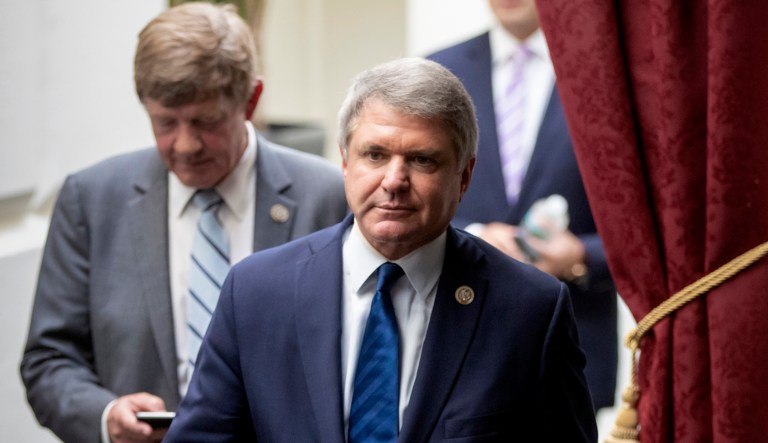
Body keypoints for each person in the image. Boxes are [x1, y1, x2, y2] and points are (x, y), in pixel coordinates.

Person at [163, 57, 597, 442]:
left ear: (464, 176)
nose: (394, 180)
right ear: (345, 162)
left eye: (422, 159)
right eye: (374, 154)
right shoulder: (256, 292)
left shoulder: (531, 310)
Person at [20, 3, 348, 443]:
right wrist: (106, 416)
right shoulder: (92, 201)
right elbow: (49, 359)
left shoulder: (327, 197)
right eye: (165, 123)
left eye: (206, 121)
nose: (186, 144)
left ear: (250, 100)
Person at [427, 0, 618, 411]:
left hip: (572, 338)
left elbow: (648, 226)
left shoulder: (605, 69)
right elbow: (412, 195)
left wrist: (582, 256)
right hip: (459, 337)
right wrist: (473, 237)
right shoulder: (439, 72)